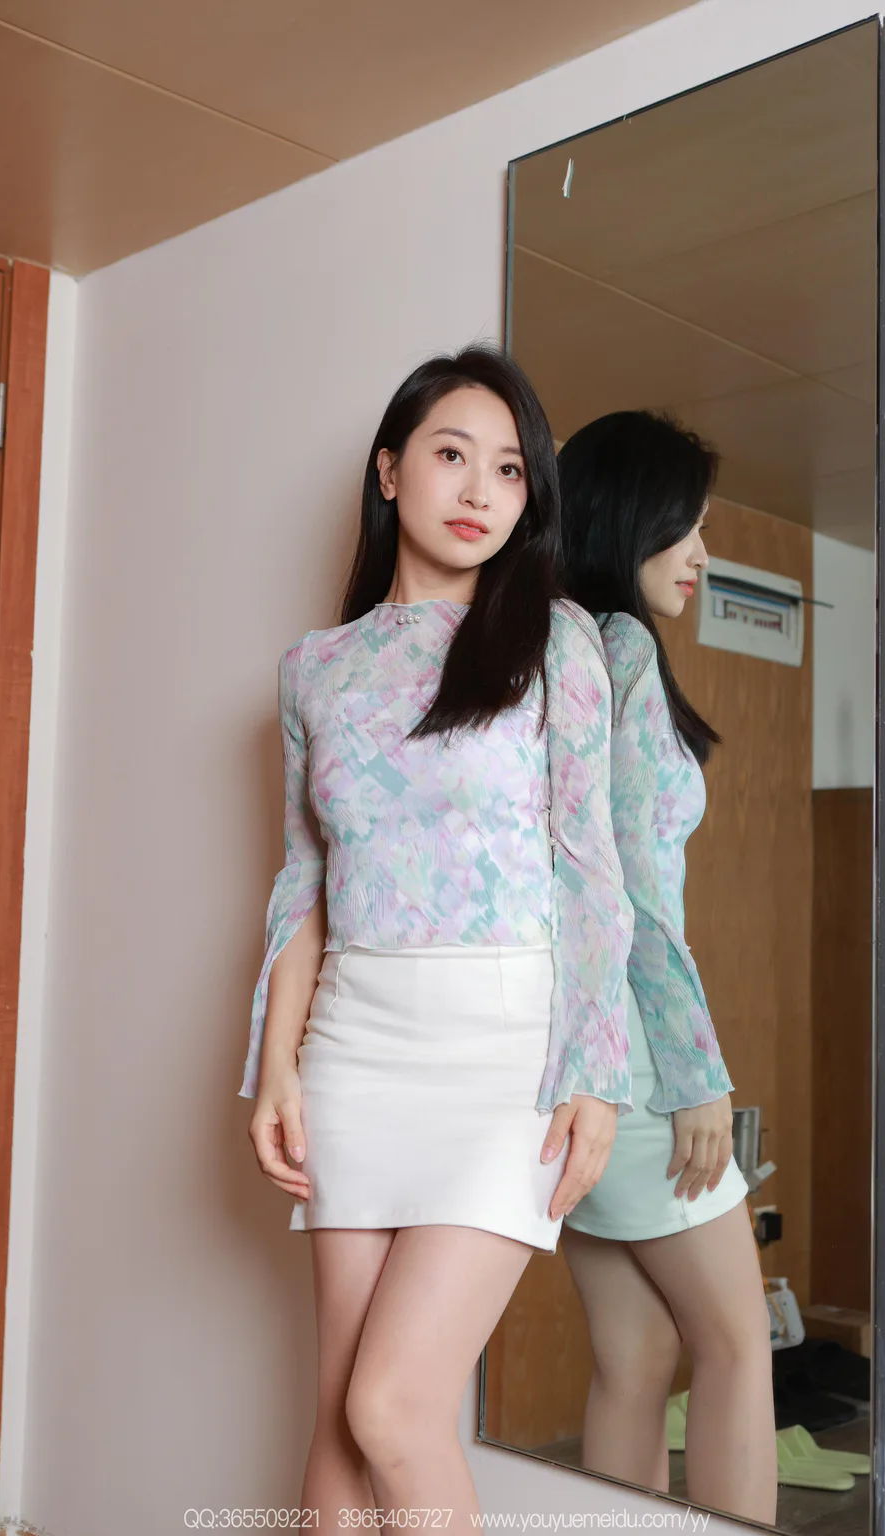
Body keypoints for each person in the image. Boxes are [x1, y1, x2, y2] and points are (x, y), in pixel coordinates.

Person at [238, 345, 637, 1529]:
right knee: (335, 1417)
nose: (479, 491)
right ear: (389, 470)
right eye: (452, 455)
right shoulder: (314, 672)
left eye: (509, 470)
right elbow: (305, 878)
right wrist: (276, 1065)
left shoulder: (558, 642)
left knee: (393, 1409)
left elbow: (590, 871)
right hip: (354, 1045)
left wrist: (595, 1073)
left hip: (504, 1054)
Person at [556, 410, 777, 1524]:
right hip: (642, 1068)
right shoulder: (623, 651)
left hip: (570, 1065)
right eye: (684, 526)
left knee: (633, 1359)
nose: (700, 553)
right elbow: (636, 894)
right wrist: (696, 1076)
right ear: (625, 518)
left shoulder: (554, 649)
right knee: (737, 1345)